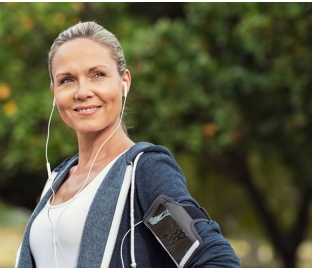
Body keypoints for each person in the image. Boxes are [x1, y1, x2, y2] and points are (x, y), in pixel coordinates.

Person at [15, 21, 240, 268]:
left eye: (97, 75)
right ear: (54, 91)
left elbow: (215, 260)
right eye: (67, 80)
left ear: (125, 82)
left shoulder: (143, 172)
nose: (82, 92)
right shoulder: (56, 178)